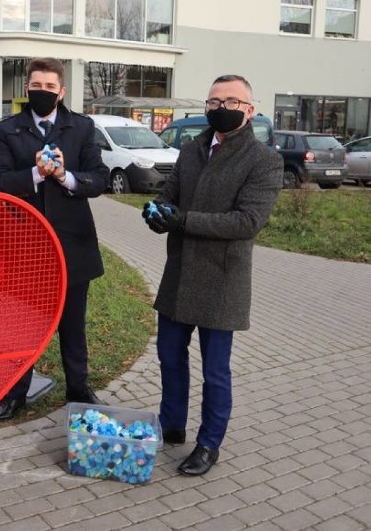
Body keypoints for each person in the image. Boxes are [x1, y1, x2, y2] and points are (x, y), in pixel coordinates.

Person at [143, 74, 282, 476]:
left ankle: (209, 444)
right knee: (169, 356)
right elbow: (168, 195)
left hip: (222, 281)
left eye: (231, 101)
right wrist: (157, 213)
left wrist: (181, 220)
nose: (221, 108)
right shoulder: (191, 149)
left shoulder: (263, 160)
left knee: (215, 371)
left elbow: (247, 221)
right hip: (179, 274)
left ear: (249, 110)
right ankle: (171, 426)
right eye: (214, 101)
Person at [0, 57, 110, 421]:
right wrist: (36, 174)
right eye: (36, 86)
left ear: (62, 91)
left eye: (50, 87)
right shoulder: (8, 129)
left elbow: (99, 178)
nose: (43, 92)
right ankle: (15, 392)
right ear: (27, 88)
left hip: (73, 243)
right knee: (25, 326)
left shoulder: (81, 127)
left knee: (73, 324)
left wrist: (64, 176)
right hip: (27, 246)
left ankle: (79, 388)